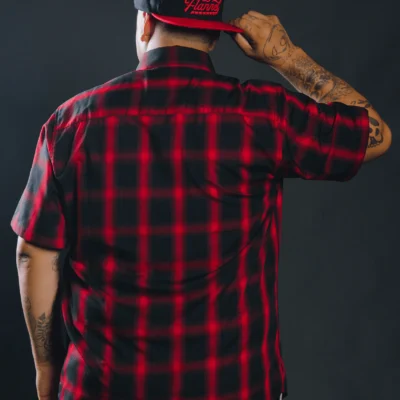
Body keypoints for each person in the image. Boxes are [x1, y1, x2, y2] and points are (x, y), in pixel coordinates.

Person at [12, 0, 392, 399]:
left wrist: (47, 371)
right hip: (236, 388)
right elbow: (376, 135)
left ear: (145, 24)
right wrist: (288, 56)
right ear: (214, 37)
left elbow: (32, 255)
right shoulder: (263, 115)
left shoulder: (72, 125)